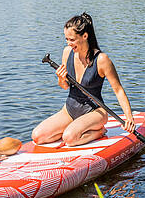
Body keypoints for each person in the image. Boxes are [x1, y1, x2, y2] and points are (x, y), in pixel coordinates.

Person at [32, 12, 135, 147]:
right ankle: (75, 128)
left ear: (85, 36)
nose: (69, 43)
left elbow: (118, 90)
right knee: (37, 136)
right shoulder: (67, 52)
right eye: (66, 39)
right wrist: (60, 77)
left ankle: (98, 131)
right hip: (69, 110)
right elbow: (64, 86)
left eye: (72, 39)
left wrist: (129, 118)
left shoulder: (102, 60)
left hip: (95, 112)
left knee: (69, 138)